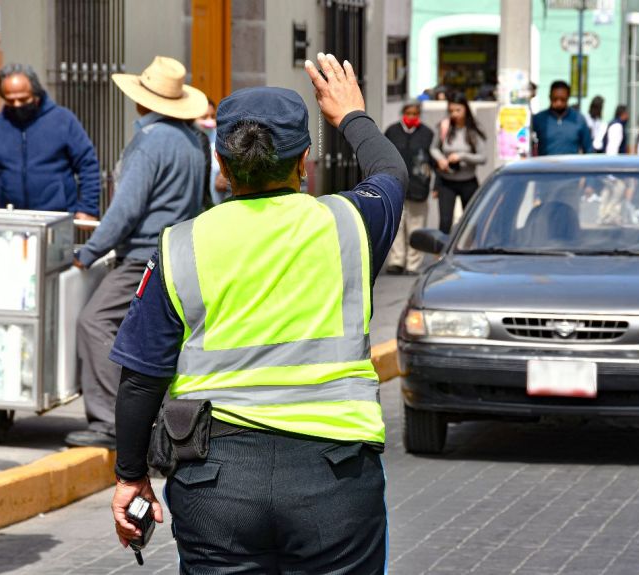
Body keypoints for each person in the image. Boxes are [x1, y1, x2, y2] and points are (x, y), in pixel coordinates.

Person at [109, 53, 406, 573]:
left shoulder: (181, 245)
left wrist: (130, 477)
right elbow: (390, 170)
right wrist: (351, 116)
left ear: (221, 167)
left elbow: (140, 380)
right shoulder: (350, 224)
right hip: (334, 479)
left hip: (215, 484)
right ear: (304, 162)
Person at [64, 56, 207, 449]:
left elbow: (125, 210)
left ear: (144, 100)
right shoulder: (194, 140)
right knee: (159, 339)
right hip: (178, 252)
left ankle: (111, 422)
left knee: (93, 322)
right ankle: (156, 421)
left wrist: (89, 251)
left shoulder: (150, 141)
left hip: (145, 254)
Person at [0, 64, 100, 220]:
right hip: (12, 219)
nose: (17, 105)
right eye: (10, 101)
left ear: (36, 94)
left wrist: (88, 208)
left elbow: (88, 164)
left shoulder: (63, 120)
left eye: (23, 99)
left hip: (57, 218)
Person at [385, 100, 434, 275]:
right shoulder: (392, 131)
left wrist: (434, 185)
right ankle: (396, 261)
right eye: (409, 113)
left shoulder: (427, 134)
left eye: (415, 114)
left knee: (416, 226)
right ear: (403, 114)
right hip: (395, 184)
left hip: (419, 186)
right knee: (396, 225)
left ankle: (413, 264)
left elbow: (432, 159)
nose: (412, 117)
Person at [430, 92, 487, 234]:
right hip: (447, 181)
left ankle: (470, 252)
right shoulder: (445, 126)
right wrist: (441, 159)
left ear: (466, 109)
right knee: (445, 222)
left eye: (458, 110)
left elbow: (483, 158)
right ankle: (440, 254)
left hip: (468, 182)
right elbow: (433, 148)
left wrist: (462, 156)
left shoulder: (473, 130)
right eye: (451, 111)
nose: (454, 114)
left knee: (470, 221)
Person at [532, 80, 593, 156]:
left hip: (572, 167)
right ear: (549, 97)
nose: (559, 103)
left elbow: (589, 150)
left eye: (562, 99)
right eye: (555, 99)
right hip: (545, 167)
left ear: (568, 97)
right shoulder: (539, 119)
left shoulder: (578, 119)